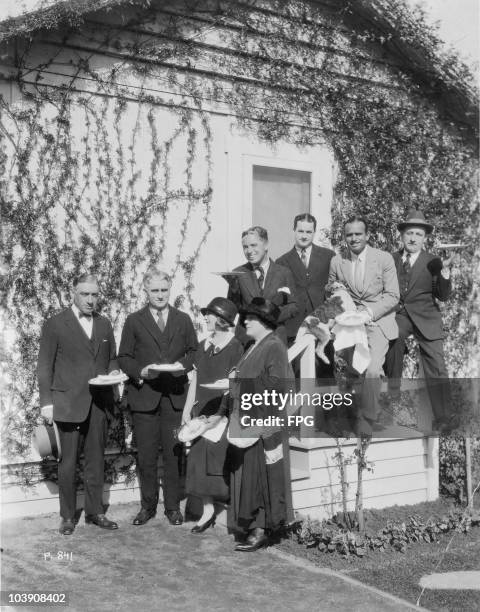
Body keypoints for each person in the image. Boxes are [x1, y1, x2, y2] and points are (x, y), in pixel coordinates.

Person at [37, 273, 119, 535]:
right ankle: (68, 516)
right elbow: (44, 367)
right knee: (68, 463)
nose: (90, 300)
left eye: (95, 294)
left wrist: (115, 373)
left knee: (96, 460)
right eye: (85, 294)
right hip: (68, 404)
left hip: (99, 404)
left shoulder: (104, 324)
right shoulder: (56, 324)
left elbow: (112, 359)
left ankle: (95, 512)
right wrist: (46, 403)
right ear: (74, 292)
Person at [118, 267, 198, 526]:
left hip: (174, 395)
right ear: (146, 291)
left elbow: (194, 352)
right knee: (147, 455)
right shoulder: (134, 320)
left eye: (164, 290)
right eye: (155, 290)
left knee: (175, 453)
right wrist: (140, 371)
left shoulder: (183, 319)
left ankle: (173, 507)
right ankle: (148, 507)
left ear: (169, 290)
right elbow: (124, 357)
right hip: (145, 395)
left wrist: (182, 366)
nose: (160, 295)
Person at [227, 297, 294, 552]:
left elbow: (277, 384)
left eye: (251, 318)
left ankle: (262, 529)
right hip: (250, 418)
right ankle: (254, 525)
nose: (245, 321)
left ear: (264, 322)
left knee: (265, 476)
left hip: (265, 420)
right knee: (253, 474)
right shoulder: (254, 345)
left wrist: (238, 386)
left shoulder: (274, 345)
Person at [384, 210, 457, 430]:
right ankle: (392, 400)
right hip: (401, 314)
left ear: (424, 238)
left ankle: (443, 418)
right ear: (402, 236)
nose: (413, 238)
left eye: (418, 234)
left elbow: (443, 296)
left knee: (436, 364)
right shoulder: (392, 259)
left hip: (426, 316)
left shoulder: (433, 261)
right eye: (409, 233)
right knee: (392, 340)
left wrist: (444, 272)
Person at [328, 215, 399, 427]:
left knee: (373, 369)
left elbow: (393, 296)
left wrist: (369, 313)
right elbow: (329, 286)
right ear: (344, 237)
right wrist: (335, 289)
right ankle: (353, 418)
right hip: (350, 322)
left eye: (358, 234)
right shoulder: (337, 260)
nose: (354, 238)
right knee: (350, 370)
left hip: (378, 320)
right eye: (349, 235)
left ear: (367, 235)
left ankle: (369, 417)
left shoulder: (384, 259)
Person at [182, 297, 243, 533]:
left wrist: (219, 416)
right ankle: (207, 511)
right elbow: (195, 379)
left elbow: (233, 385)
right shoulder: (203, 344)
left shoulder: (235, 347)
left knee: (218, 462)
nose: (204, 318)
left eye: (209, 314)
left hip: (222, 415)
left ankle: (228, 509)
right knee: (197, 462)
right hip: (201, 413)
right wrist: (187, 410)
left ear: (222, 319)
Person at [224, 226, 298, 345]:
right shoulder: (238, 273)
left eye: (253, 245)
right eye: (245, 247)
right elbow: (233, 309)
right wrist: (233, 289)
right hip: (246, 340)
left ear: (266, 245)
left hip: (275, 338)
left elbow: (294, 306)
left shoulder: (284, 273)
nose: (249, 251)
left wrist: (271, 316)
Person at [276, 213, 335, 344]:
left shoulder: (328, 256)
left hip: (323, 323)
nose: (304, 236)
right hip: (294, 326)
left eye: (309, 232)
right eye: (300, 231)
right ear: (294, 231)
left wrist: (331, 319)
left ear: (314, 232)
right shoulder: (282, 262)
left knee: (323, 362)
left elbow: (335, 290)